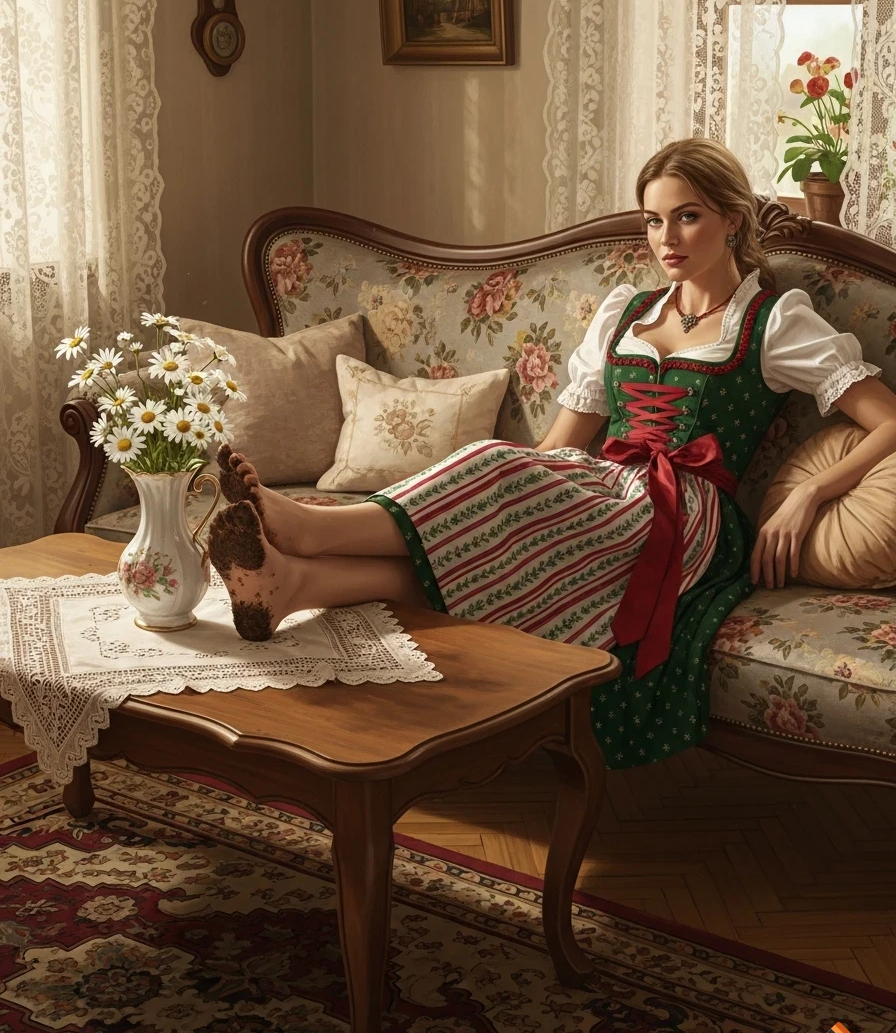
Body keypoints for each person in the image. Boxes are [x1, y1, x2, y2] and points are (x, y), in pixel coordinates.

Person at [207, 137, 896, 769]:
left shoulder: (773, 320)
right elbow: (560, 445)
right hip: (606, 490)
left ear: (733, 221)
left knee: (496, 466)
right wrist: (510, 507)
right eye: (654, 221)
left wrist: (810, 493)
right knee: (494, 544)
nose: (667, 238)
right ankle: (295, 585)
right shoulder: (627, 312)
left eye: (687, 217)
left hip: (687, 517)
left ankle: (308, 527)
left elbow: (889, 422)